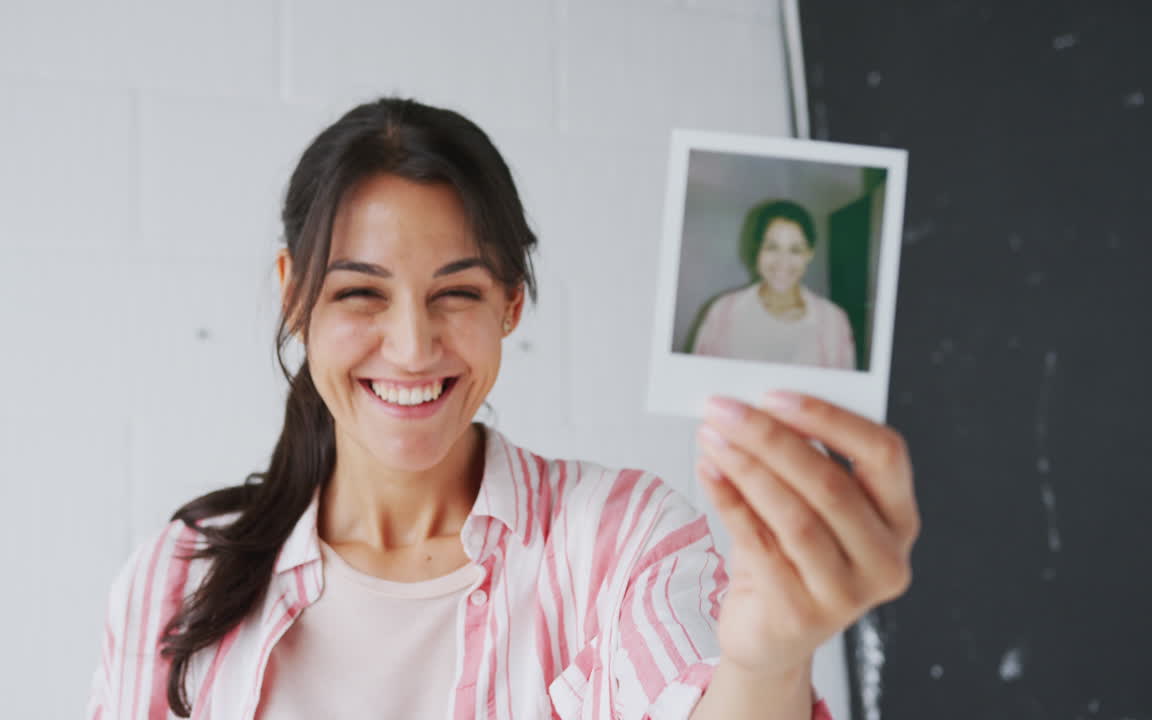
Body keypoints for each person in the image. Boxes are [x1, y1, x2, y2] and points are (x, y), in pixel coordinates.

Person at [86, 98, 918, 720]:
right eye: (359, 294)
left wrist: (769, 659)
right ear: (293, 296)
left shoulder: (621, 541)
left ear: (511, 305)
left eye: (456, 293)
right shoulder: (178, 575)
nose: (412, 348)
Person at [688, 200, 858, 370]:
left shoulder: (834, 321)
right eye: (772, 247)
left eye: (795, 250)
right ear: (758, 250)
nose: (782, 262)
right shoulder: (723, 311)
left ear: (809, 254)